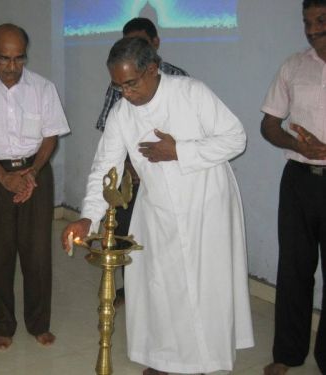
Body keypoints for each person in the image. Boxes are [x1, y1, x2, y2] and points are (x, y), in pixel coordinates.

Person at [62, 37, 254, 374]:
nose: (125, 93)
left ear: (152, 69)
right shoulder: (122, 113)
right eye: (117, 85)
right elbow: (106, 168)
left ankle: (206, 362)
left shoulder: (191, 93)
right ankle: (167, 360)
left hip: (206, 205)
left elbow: (235, 137)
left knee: (205, 287)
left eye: (131, 83)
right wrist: (87, 219)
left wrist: (180, 151)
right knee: (160, 290)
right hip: (157, 208)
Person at [0, 23, 70, 350]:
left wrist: (32, 172)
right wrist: (4, 177)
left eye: (19, 59)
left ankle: (38, 323)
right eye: (4, 59)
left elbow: (50, 137)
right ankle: (3, 325)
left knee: (37, 255)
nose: (12, 67)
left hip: (36, 170)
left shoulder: (43, 88)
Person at [96, 18, 189, 308]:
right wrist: (128, 165)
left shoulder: (180, 80)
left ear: (155, 44)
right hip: (130, 176)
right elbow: (110, 129)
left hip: (168, 176)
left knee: (164, 238)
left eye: (141, 43)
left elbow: (185, 138)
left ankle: (166, 295)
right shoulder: (120, 83)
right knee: (126, 232)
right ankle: (131, 289)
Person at [260, 1, 326, 374]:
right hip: (299, 180)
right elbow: (269, 125)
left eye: (321, 21)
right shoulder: (293, 65)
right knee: (294, 268)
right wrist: (295, 143)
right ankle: (287, 353)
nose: (312, 29)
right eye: (307, 22)